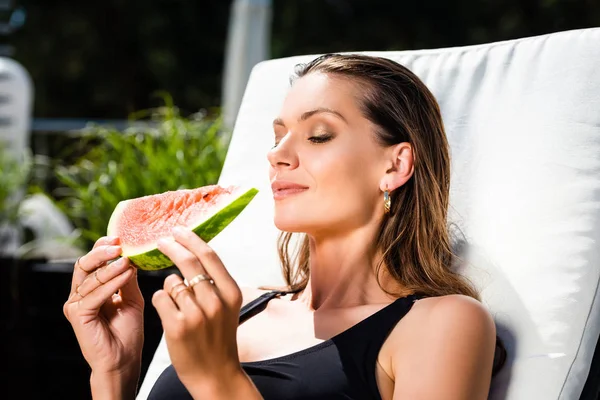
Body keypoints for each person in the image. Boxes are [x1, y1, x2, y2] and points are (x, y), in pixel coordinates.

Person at [64, 53, 504, 400]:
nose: (277, 154)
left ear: (395, 164)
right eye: (278, 136)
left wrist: (219, 382)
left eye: (318, 135)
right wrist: (115, 374)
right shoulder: (239, 309)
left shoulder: (444, 323)